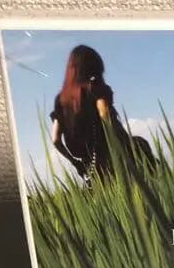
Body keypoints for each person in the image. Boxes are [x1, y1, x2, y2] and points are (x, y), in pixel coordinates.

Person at [50, 44, 155, 181]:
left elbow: (55, 140)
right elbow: (104, 115)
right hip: (111, 156)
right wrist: (126, 144)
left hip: (90, 165)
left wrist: (76, 163)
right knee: (143, 148)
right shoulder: (96, 88)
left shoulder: (61, 99)